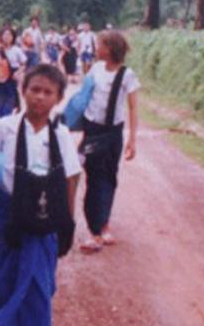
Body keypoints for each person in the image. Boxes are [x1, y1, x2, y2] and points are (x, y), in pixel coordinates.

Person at [0, 64, 82, 325]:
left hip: (43, 216)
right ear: (22, 90)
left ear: (59, 98)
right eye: (34, 89)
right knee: (2, 273)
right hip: (7, 215)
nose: (40, 96)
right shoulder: (6, 127)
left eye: (48, 92)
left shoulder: (60, 135)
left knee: (38, 280)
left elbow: (70, 178)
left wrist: (67, 221)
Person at [78, 30, 140, 253]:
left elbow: (133, 107)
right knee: (93, 178)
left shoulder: (127, 75)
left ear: (110, 49)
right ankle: (94, 229)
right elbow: (82, 98)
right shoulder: (95, 70)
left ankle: (103, 224)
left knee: (109, 177)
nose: (95, 48)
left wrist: (132, 139)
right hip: (92, 130)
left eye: (99, 44)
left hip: (113, 132)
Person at [0, 27, 28, 117]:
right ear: (1, 36)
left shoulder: (16, 50)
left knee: (9, 101)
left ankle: (6, 117)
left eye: (9, 35)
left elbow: (24, 63)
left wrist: (18, 72)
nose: (7, 37)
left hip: (11, 78)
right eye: (5, 34)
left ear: (13, 37)